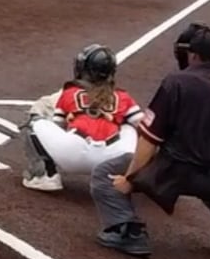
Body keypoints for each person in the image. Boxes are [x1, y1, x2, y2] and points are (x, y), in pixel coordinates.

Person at [89, 22, 210, 259]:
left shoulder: (177, 82)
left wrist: (130, 179)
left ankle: (127, 231)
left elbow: (149, 140)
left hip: (177, 175)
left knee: (103, 173)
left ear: (193, 55)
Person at [17, 44, 145, 192]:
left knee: (33, 121)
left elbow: (58, 125)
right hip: (113, 159)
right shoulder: (123, 96)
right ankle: (126, 179)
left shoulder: (69, 92)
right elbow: (146, 129)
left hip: (72, 156)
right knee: (130, 126)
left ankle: (45, 176)